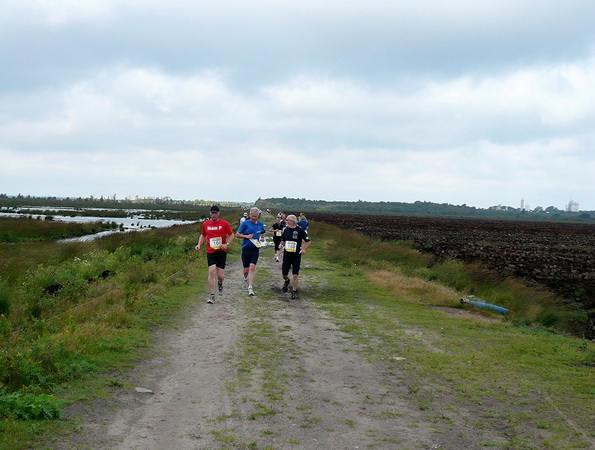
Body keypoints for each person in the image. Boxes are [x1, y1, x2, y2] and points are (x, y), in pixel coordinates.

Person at [195, 205, 234, 304]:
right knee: (212, 271)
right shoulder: (206, 224)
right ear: (210, 213)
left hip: (221, 251)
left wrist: (227, 244)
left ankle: (220, 283)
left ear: (218, 213)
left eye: (215, 213)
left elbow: (231, 235)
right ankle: (212, 295)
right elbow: (203, 235)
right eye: (212, 213)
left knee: (220, 275)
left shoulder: (224, 223)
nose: (213, 215)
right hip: (211, 251)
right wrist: (199, 244)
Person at [236, 207, 266, 296]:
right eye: (253, 216)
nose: (254, 218)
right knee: (246, 269)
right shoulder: (245, 223)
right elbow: (237, 234)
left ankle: (250, 287)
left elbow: (263, 232)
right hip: (246, 248)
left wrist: (263, 237)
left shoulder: (260, 224)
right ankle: (245, 278)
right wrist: (246, 236)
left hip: (255, 249)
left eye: (256, 216)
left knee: (252, 267)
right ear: (250, 215)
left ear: (258, 216)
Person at [279, 214, 311, 299]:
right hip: (287, 255)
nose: (286, 221)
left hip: (296, 255)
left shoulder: (300, 230)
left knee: (295, 274)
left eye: (287, 220)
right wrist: (281, 244)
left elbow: (308, 241)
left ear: (292, 221)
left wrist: (303, 249)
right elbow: (283, 239)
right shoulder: (286, 230)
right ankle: (287, 280)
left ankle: (294, 291)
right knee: (284, 274)